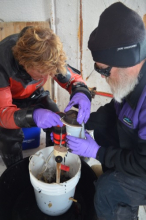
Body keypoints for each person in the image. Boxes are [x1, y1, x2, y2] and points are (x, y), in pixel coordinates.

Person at [66, 2, 146, 220]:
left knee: (107, 191)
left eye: (104, 70)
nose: (101, 76)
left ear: (126, 61)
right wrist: (83, 121)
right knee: (103, 131)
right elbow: (117, 110)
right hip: (140, 149)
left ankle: (120, 205)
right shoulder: (133, 77)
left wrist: (98, 153)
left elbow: (143, 162)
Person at [0, 25, 91, 168]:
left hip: (34, 95)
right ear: (25, 63)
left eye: (50, 71)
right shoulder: (3, 61)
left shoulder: (47, 57)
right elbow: (3, 113)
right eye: (41, 71)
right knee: (9, 136)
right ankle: (14, 171)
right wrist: (33, 115)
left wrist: (81, 92)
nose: (46, 76)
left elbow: (74, 79)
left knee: (58, 122)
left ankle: (54, 162)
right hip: (7, 101)